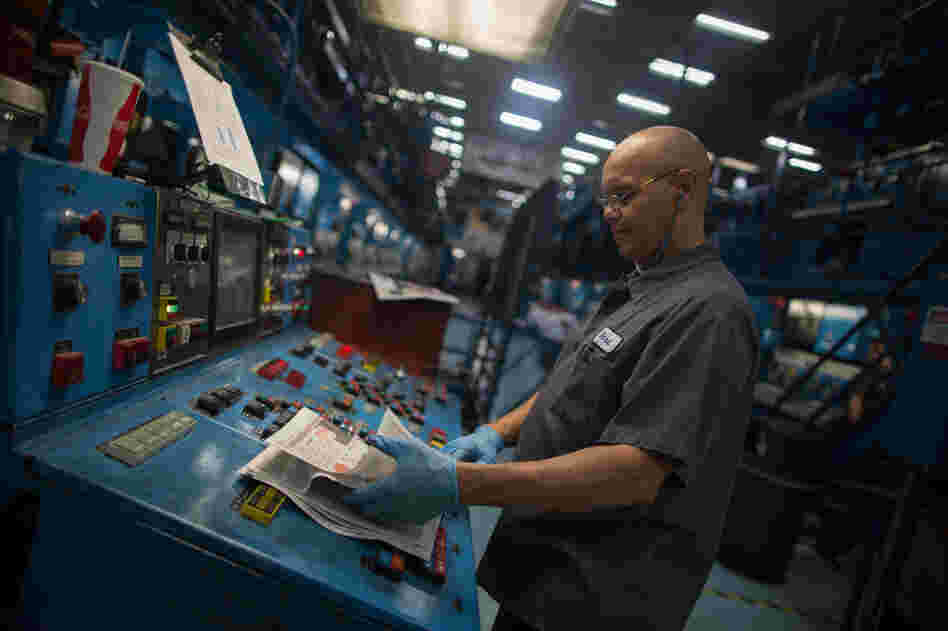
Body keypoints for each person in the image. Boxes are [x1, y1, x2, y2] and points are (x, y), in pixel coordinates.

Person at [342, 127, 761, 631]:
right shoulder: (638, 288)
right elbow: (574, 381)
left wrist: (458, 483)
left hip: (595, 598)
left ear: (685, 188)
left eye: (624, 196)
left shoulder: (709, 312)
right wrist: (494, 434)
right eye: (606, 199)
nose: (608, 214)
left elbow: (635, 471)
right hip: (544, 572)